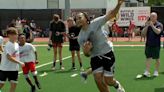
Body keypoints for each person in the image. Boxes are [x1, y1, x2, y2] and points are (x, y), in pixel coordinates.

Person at [77, 0, 125, 92]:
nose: (77, 20)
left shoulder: (96, 22)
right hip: (95, 57)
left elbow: (112, 15)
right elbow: (86, 54)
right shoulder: (80, 37)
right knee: (98, 80)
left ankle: (116, 84)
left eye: (79, 17)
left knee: (108, 81)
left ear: (86, 18)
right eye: (76, 18)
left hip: (107, 54)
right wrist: (87, 51)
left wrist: (119, 4)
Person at [0, 27, 25, 92]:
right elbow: (9, 57)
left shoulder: (16, 44)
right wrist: (19, 62)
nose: (16, 36)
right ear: (9, 35)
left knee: (14, 85)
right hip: (5, 69)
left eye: (16, 34)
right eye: (14, 34)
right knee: (1, 84)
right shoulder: (8, 45)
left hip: (14, 69)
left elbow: (15, 55)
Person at [142, 12, 163, 77]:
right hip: (148, 44)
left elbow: (158, 32)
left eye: (153, 16)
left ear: (156, 17)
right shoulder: (148, 24)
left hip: (156, 45)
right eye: (151, 16)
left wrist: (152, 26)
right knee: (148, 58)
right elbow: (143, 34)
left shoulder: (159, 24)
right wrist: (147, 26)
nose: (152, 18)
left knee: (157, 58)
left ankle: (156, 71)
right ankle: (147, 71)